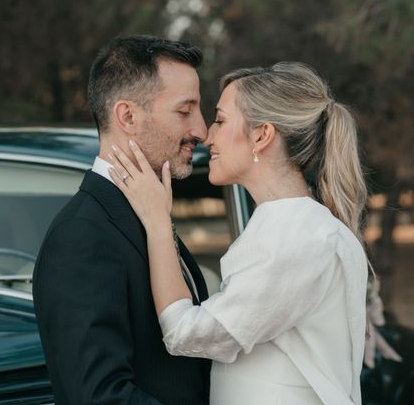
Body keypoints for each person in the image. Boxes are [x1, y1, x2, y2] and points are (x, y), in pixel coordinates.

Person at [109, 62, 370, 404]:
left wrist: (157, 221)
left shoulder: (295, 237)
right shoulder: (294, 226)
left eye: (220, 120)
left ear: (262, 135)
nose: (208, 135)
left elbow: (186, 333)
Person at [32, 35, 212, 404]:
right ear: (127, 116)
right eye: (185, 111)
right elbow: (99, 396)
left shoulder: (148, 214)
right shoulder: (82, 236)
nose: (201, 130)